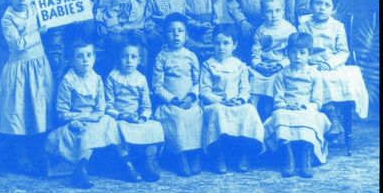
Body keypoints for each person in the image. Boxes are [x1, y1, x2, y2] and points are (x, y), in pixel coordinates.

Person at [0, 0, 54, 175]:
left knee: (39, 110)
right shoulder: (7, 18)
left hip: (39, 67)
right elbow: (18, 44)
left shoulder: (35, 9)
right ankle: (20, 158)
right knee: (19, 112)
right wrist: (39, 33)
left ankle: (40, 154)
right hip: (19, 70)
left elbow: (55, 13)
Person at [46, 41, 119, 189]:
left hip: (94, 119)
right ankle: (81, 168)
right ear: (72, 60)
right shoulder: (68, 81)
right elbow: (62, 113)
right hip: (74, 122)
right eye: (80, 56)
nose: (85, 60)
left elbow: (100, 109)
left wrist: (92, 117)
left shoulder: (97, 79)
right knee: (87, 130)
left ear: (94, 58)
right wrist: (83, 118)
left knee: (109, 121)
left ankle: (120, 162)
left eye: (89, 55)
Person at [298, 0, 369, 138]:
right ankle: (333, 121)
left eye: (327, 5)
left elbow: (343, 51)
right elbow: (300, 49)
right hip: (311, 65)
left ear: (333, 9)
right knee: (316, 78)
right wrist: (309, 62)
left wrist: (329, 64)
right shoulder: (304, 27)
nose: (322, 8)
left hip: (333, 65)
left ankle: (333, 119)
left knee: (342, 79)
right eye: (318, 3)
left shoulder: (337, 26)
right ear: (311, 5)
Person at [263, 32, 330, 178]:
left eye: (302, 53)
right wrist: (286, 105)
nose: (298, 56)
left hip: (307, 108)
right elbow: (278, 99)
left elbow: (317, 101)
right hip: (287, 108)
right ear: (288, 53)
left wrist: (305, 106)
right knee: (280, 116)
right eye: (294, 52)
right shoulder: (282, 74)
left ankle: (305, 158)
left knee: (309, 117)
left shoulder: (314, 74)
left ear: (309, 54)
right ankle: (289, 156)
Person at [200, 24, 264, 174]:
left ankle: (243, 154)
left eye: (226, 43)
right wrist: (221, 101)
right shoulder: (209, 65)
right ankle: (219, 155)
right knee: (218, 111)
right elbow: (204, 91)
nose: (221, 47)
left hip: (236, 103)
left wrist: (240, 100)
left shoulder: (240, 66)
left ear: (234, 45)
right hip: (216, 104)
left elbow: (245, 89)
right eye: (217, 43)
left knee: (249, 110)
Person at [152, 13, 203, 177]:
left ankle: (195, 153)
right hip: (170, 103)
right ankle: (180, 156)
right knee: (177, 116)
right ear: (164, 35)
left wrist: (191, 97)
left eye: (180, 31)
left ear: (186, 34)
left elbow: (198, 82)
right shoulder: (161, 57)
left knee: (196, 114)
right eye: (171, 31)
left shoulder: (191, 56)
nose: (176, 35)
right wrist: (173, 99)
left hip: (190, 101)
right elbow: (157, 86)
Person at [105, 41, 164, 183]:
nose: (129, 60)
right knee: (116, 130)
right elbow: (107, 105)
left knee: (155, 127)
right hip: (120, 118)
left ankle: (149, 162)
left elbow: (146, 106)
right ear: (118, 58)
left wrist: (142, 118)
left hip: (137, 118)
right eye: (124, 56)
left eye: (133, 57)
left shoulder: (141, 79)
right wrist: (121, 115)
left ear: (139, 60)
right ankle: (127, 165)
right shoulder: (112, 77)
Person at [249, 0, 296, 117]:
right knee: (254, 79)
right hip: (264, 66)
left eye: (277, 11)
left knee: (277, 79)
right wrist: (258, 65)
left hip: (282, 66)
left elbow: (291, 53)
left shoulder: (289, 30)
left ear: (283, 10)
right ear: (262, 14)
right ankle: (252, 110)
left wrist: (280, 65)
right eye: (269, 12)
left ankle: (273, 110)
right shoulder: (260, 32)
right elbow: (256, 53)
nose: (274, 15)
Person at [96, 0, 147, 75]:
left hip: (139, 32)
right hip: (122, 34)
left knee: (144, 51)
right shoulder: (115, 3)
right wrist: (127, 31)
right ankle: (115, 76)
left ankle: (143, 77)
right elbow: (111, 25)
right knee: (116, 45)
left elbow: (148, 15)